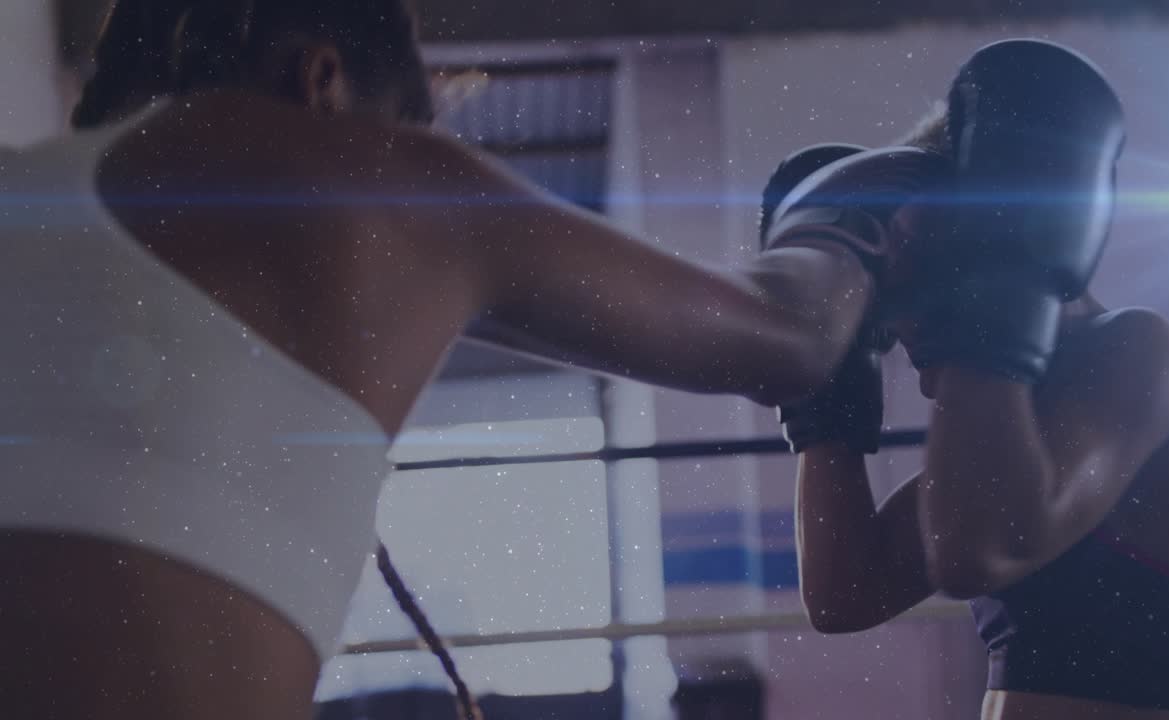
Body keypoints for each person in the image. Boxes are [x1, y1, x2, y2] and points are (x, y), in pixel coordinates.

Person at [0, 1, 931, 718]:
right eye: (404, 128)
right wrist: (886, 179)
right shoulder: (357, 175)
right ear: (323, 81)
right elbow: (790, 334)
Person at [787, 40, 1169, 719]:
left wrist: (989, 305)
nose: (917, 367)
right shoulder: (1015, 429)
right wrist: (826, 387)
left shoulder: (1137, 353)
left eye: (919, 330)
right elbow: (845, 593)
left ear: (972, 245)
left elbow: (986, 546)